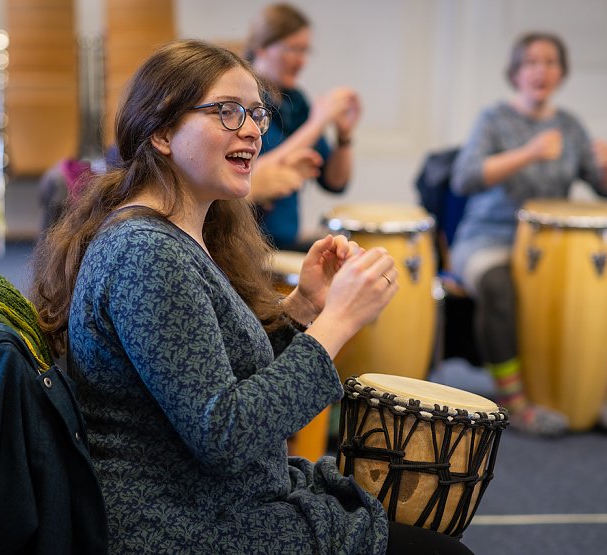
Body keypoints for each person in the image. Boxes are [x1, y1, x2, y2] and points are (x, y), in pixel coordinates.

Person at [31, 39, 472, 554]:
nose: (252, 130)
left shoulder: (175, 236)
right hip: (180, 526)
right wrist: (337, 323)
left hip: (207, 503)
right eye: (228, 111)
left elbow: (223, 379)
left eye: (257, 114)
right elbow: (225, 435)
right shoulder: (146, 253)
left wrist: (304, 308)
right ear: (162, 132)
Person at [450, 32, 607, 438]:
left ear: (561, 73)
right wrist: (527, 153)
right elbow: (464, 178)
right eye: (530, 62)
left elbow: (606, 188)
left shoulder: (570, 126)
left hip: (555, 249)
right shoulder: (493, 119)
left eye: (550, 62)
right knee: (496, 284)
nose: (540, 70)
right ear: (515, 72)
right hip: (490, 237)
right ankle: (515, 401)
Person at [244, 3, 362, 250]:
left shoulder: (295, 102)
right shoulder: (244, 103)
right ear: (261, 47)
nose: (301, 61)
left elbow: (334, 182)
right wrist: (317, 123)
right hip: (251, 246)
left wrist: (344, 136)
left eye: (305, 50)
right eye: (292, 49)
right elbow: (257, 174)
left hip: (285, 241)